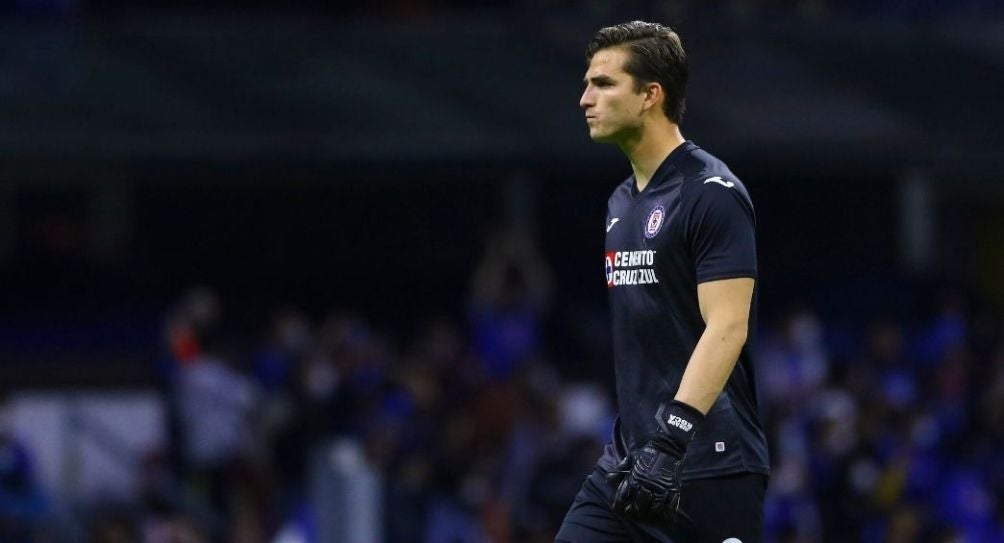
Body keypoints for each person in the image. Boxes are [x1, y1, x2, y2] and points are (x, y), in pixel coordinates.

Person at [556, 21, 770, 543]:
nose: (585, 98)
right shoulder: (619, 203)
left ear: (652, 94)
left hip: (709, 464)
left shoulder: (711, 193)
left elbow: (727, 326)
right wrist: (647, 450)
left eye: (604, 84)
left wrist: (670, 443)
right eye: (587, 83)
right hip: (627, 467)